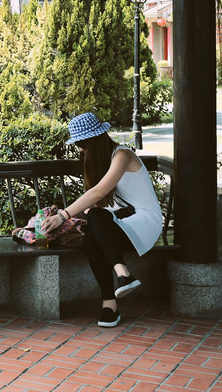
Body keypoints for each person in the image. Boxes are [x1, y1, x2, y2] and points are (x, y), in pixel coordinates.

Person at [41, 112, 162, 328]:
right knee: (91, 236)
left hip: (145, 223)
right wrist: (60, 215)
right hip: (123, 223)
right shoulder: (101, 161)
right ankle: (110, 302)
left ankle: (122, 276)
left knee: (95, 216)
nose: (79, 149)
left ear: (93, 140)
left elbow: (97, 193)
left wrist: (62, 216)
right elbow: (97, 203)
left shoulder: (122, 155)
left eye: (81, 143)